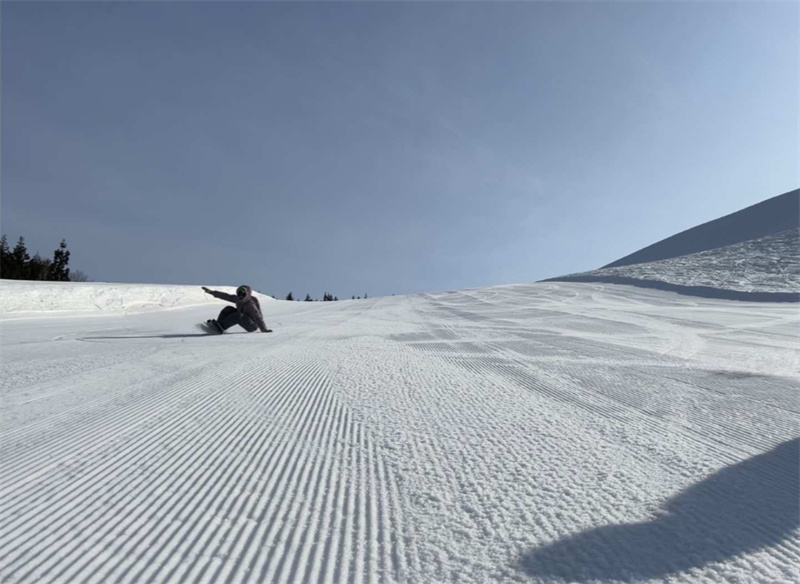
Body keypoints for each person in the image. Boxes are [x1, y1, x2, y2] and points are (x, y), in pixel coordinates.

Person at [201, 285, 272, 333]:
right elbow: (225, 296)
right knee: (228, 309)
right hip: (243, 317)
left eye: (243, 294)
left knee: (238, 315)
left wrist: (264, 329)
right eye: (239, 294)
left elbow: (258, 317)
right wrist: (211, 292)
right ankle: (218, 325)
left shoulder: (251, 304)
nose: (241, 296)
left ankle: (221, 327)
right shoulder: (237, 299)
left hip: (252, 325)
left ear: (247, 295)